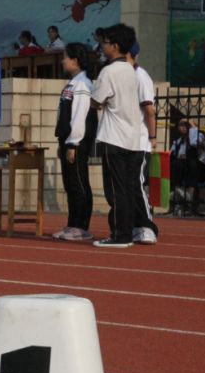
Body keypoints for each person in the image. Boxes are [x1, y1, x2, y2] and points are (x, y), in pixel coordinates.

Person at [91, 23, 144, 248]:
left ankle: (120, 235)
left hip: (114, 138)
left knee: (116, 190)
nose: (102, 47)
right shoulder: (131, 70)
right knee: (129, 188)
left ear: (114, 46)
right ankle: (128, 231)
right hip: (133, 137)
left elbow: (96, 101)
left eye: (105, 43)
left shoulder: (109, 71)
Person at [52, 43, 97, 241]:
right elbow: (64, 115)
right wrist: (62, 141)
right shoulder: (72, 84)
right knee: (70, 184)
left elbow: (79, 116)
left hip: (76, 142)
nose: (63, 61)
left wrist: (73, 143)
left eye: (65, 57)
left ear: (76, 60)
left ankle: (81, 226)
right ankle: (72, 224)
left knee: (78, 182)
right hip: (68, 141)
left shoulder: (83, 85)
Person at [126, 42, 159, 244]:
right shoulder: (123, 77)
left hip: (139, 142)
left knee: (137, 183)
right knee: (128, 186)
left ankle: (147, 226)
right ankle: (136, 225)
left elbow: (149, 110)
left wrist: (153, 137)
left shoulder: (140, 77)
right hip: (125, 141)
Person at [169, 116, 203, 216]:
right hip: (180, 168)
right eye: (181, 125)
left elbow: (194, 143)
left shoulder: (199, 135)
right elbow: (171, 153)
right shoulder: (178, 141)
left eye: (187, 125)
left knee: (191, 164)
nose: (184, 127)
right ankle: (176, 204)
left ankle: (190, 204)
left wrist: (192, 125)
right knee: (174, 165)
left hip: (194, 167)